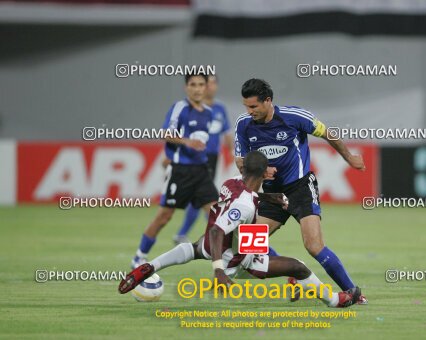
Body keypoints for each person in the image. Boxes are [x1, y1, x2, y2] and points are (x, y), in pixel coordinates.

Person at [119, 151, 361, 308]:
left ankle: (151, 266)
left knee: (192, 249)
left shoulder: (232, 181)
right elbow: (222, 228)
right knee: (299, 266)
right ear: (262, 172)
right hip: (234, 258)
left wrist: (272, 198)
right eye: (270, 168)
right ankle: (334, 300)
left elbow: (248, 196)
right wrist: (219, 271)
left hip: (212, 242)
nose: (274, 170)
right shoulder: (244, 205)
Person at [234, 79, 368, 304]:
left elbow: (328, 133)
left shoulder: (294, 117)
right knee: (248, 246)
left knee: (314, 246)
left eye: (254, 106)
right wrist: (258, 169)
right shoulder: (243, 124)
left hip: (300, 188)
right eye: (246, 106)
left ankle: (354, 293)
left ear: (268, 101)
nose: (249, 111)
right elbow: (240, 160)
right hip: (271, 193)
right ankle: (294, 271)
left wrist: (349, 157)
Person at [130, 73, 218, 269]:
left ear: (206, 88)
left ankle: (222, 257)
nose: (197, 88)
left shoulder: (208, 113)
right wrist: (187, 142)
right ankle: (139, 256)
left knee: (216, 214)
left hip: (202, 171)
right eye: (193, 84)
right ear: (187, 88)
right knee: (164, 216)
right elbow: (165, 133)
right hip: (181, 171)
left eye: (201, 84)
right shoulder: (180, 108)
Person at [173, 75, 233, 244]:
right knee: (203, 196)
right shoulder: (191, 108)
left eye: (214, 83)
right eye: (208, 83)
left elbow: (226, 132)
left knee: (200, 196)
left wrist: (232, 153)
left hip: (213, 156)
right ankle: (219, 232)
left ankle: (185, 233)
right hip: (195, 157)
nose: (210, 87)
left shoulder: (220, 108)